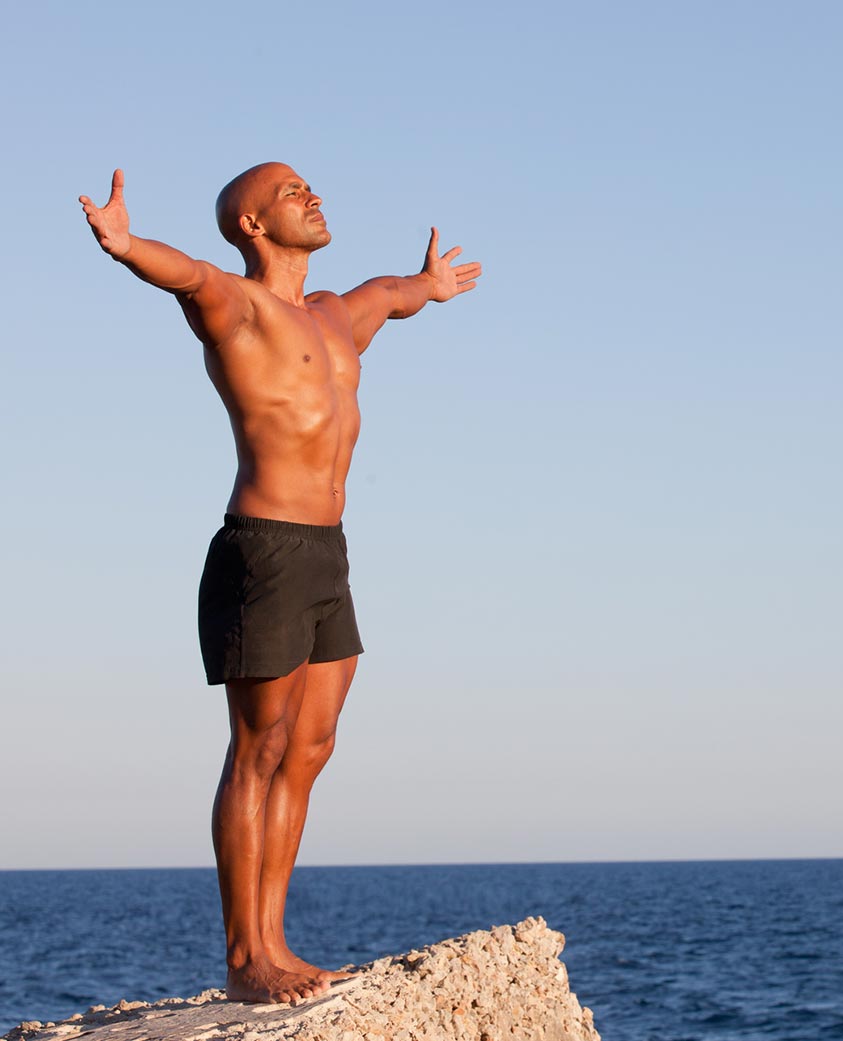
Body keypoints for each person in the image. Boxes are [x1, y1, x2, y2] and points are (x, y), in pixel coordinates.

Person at [78, 164, 482, 1005]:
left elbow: (392, 296)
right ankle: (243, 957)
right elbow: (184, 273)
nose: (312, 196)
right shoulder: (237, 305)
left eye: (309, 185)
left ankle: (278, 940)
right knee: (256, 751)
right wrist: (123, 247)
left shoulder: (339, 314)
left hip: (329, 555)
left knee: (310, 748)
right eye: (289, 191)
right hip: (262, 549)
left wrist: (432, 285)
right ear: (253, 224)